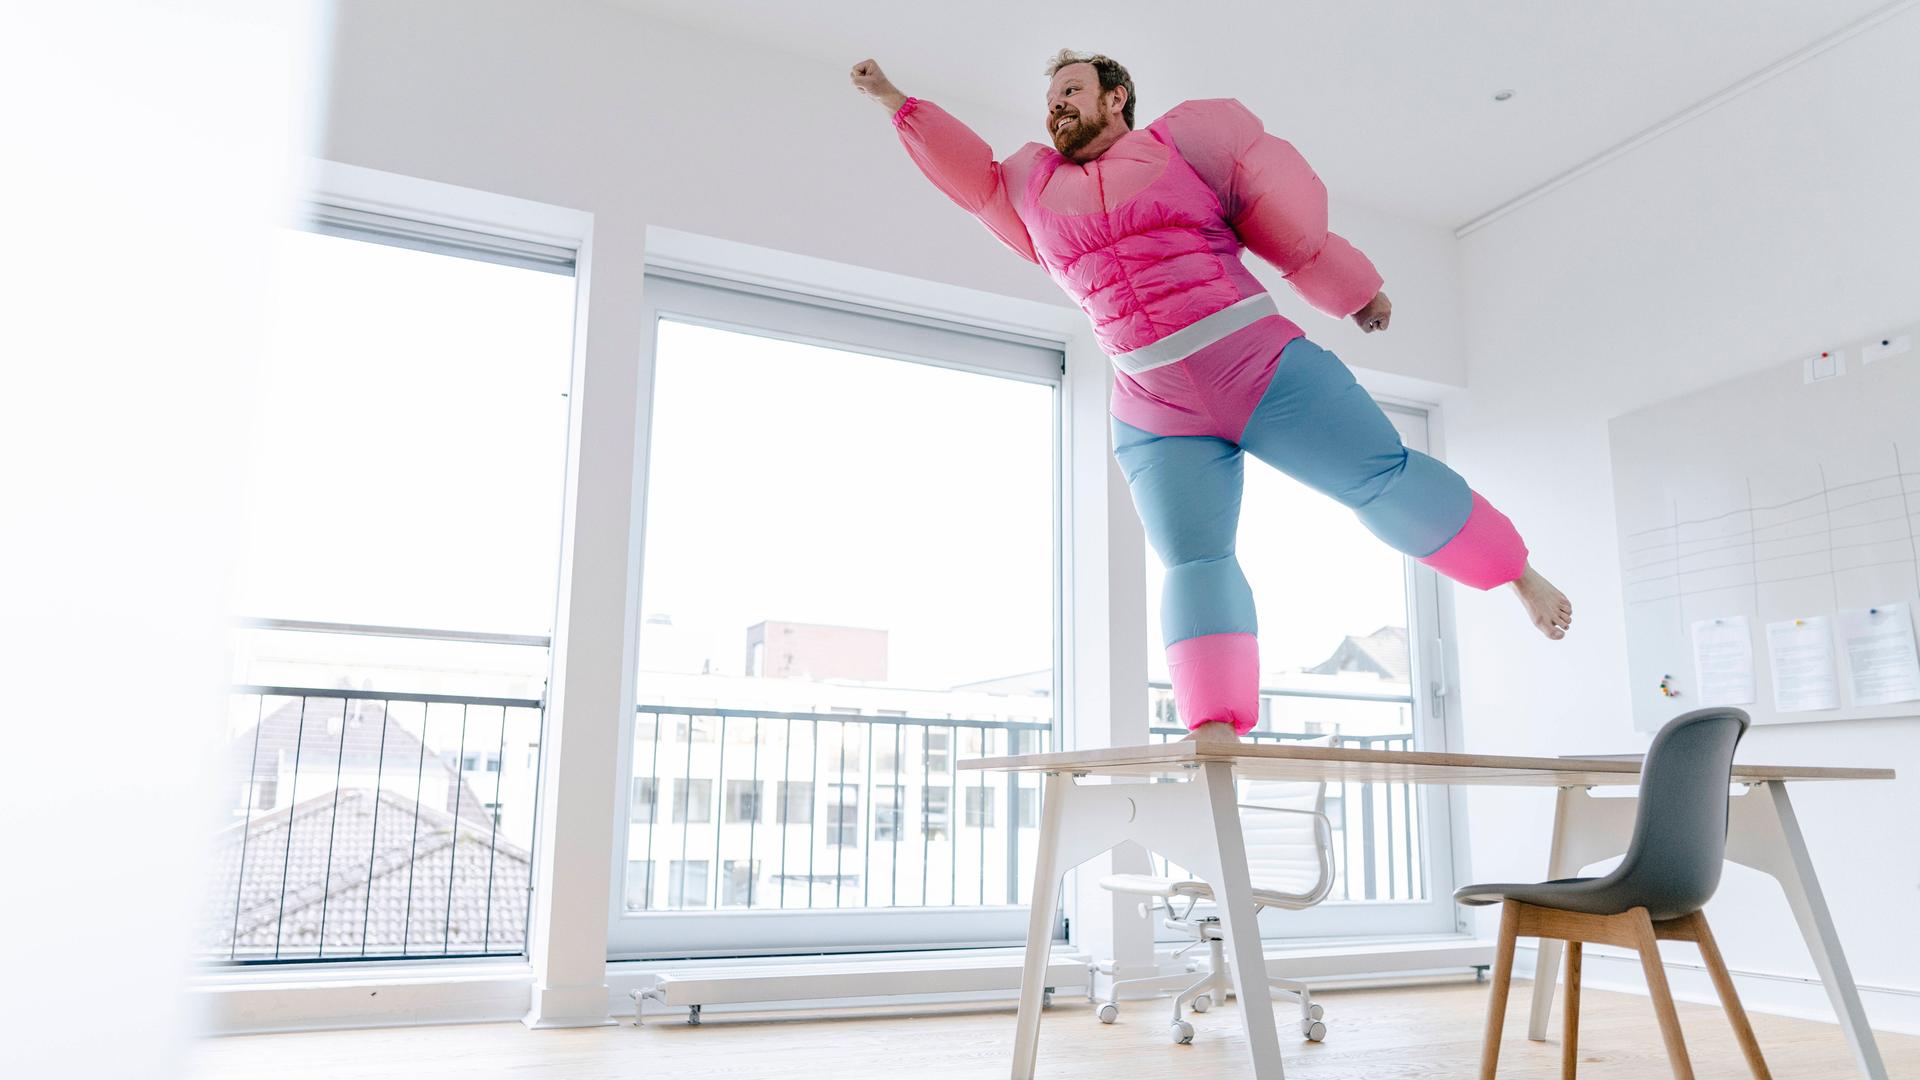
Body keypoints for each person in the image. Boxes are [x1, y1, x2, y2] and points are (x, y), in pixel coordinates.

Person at [850, 50, 1571, 744]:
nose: (1056, 106)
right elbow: (966, 173)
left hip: (1260, 365)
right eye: (1050, 99)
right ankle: (1215, 721)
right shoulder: (1030, 190)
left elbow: (1286, 222)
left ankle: (1516, 574)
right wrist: (893, 99)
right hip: (1155, 405)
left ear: (1115, 97)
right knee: (1194, 561)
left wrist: (1356, 292)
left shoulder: (1185, 150)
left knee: (1382, 479)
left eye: (1071, 90)